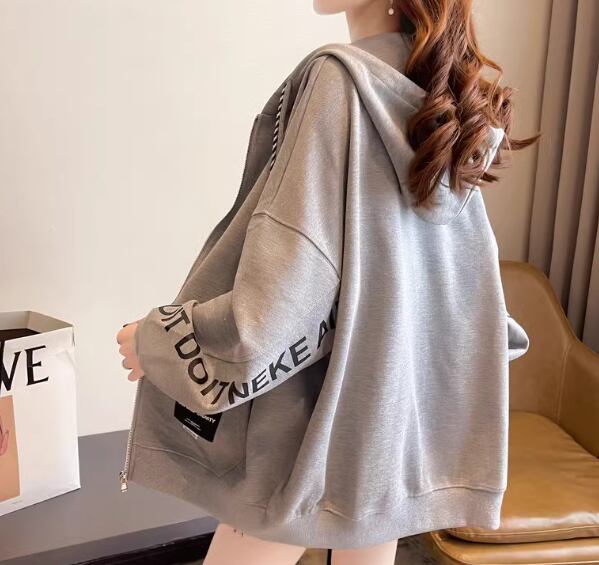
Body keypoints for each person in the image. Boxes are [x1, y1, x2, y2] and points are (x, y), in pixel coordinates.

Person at [116, 0, 537, 563]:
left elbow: (284, 294)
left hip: (308, 431)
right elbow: (463, 282)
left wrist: (160, 342)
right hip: (388, 426)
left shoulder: (338, 81)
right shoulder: (438, 96)